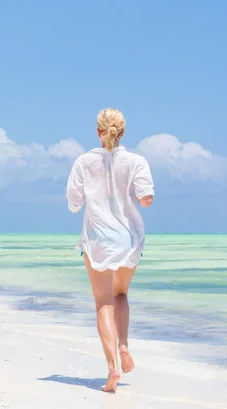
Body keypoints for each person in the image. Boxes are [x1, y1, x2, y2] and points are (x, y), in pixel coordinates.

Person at [66, 108, 154, 392]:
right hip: (128, 238)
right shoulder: (137, 161)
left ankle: (113, 367)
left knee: (103, 302)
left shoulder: (83, 162)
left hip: (97, 239)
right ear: (123, 132)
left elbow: (74, 202)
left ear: (98, 132)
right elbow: (146, 200)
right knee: (121, 295)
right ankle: (124, 344)